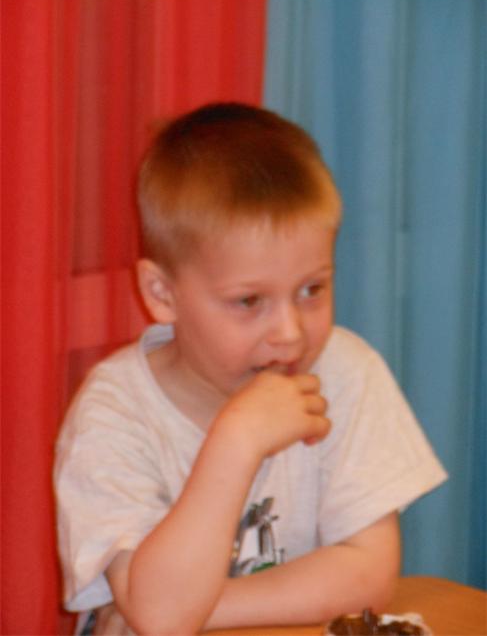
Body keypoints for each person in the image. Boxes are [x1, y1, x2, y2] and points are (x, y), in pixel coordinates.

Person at [54, 102, 447, 636]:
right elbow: (163, 616)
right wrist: (236, 442)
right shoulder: (113, 412)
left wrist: (191, 611)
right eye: (248, 301)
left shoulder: (347, 372)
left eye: (312, 289)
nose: (290, 332)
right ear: (162, 294)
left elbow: (369, 573)